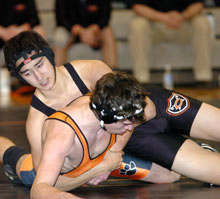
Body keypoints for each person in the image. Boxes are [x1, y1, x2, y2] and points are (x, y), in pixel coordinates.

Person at [0, 31, 180, 189]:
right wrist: (95, 170)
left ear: (49, 56)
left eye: (40, 65)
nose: (39, 77)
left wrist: (112, 155)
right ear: (19, 77)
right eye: (28, 73)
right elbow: (48, 182)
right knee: (26, 170)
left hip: (109, 147)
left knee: (170, 177)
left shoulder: (90, 72)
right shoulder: (37, 119)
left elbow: (139, 106)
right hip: (71, 165)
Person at [31, 71, 220, 198]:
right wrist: (100, 167)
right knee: (180, 176)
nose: (130, 127)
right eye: (126, 123)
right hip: (140, 140)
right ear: (105, 118)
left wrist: (114, 151)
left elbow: (150, 110)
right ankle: (198, 153)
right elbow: (40, 188)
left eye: (132, 122)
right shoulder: (63, 132)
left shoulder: (120, 108)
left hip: (155, 106)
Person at [129, 0, 212, 85]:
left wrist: (182, 16)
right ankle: (141, 79)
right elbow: (138, 7)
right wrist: (164, 18)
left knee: (202, 23)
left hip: (184, 22)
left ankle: (203, 77)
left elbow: (198, 5)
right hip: (153, 23)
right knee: (137, 25)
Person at [0, 0, 45, 91]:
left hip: (21, 33)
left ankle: (39, 76)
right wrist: (0, 31)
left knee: (39, 31)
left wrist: (21, 29)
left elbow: (35, 19)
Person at [53, 0, 118, 68]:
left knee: (108, 32)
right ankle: (57, 72)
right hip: (70, 30)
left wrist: (93, 29)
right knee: (59, 36)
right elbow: (61, 18)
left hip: (95, 31)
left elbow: (105, 17)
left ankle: (112, 71)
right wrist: (78, 30)